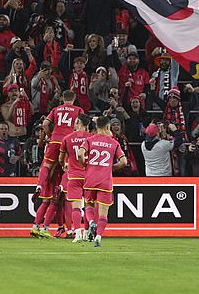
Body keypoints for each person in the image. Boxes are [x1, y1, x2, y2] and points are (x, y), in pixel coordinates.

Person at [31, 90, 84, 234]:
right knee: (62, 197)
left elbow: (46, 123)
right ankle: (69, 229)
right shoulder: (78, 110)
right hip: (68, 142)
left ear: (62, 99)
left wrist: (50, 135)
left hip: (54, 141)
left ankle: (39, 187)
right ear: (74, 99)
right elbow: (80, 125)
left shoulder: (56, 109)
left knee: (47, 166)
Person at [77, 115, 127, 247]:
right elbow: (124, 161)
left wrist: (84, 164)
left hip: (90, 178)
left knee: (88, 205)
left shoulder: (89, 140)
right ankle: (98, 237)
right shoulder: (114, 143)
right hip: (105, 180)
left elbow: (80, 154)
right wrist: (112, 167)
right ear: (108, 127)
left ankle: (91, 223)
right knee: (103, 211)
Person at [57, 113, 94, 242]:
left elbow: (60, 159)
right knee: (89, 205)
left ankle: (77, 233)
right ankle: (88, 233)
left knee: (76, 206)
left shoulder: (67, 138)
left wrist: (64, 165)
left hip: (74, 177)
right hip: (89, 176)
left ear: (78, 122)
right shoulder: (92, 138)